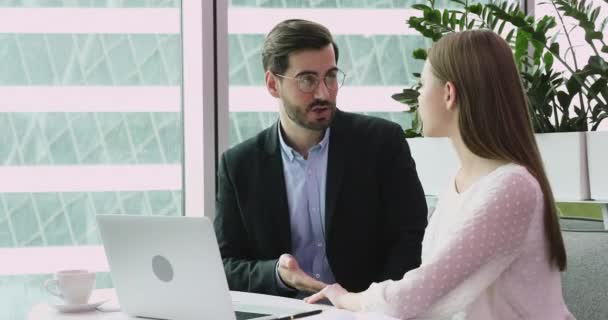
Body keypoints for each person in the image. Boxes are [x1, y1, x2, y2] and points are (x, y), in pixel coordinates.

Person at [305, 30, 576, 319]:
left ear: (449, 94)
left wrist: (345, 297)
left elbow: (414, 297)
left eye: (422, 85)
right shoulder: (461, 182)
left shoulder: (512, 187)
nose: (418, 96)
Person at [214, 19, 428, 298]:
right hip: (284, 312)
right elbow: (225, 266)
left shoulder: (381, 143)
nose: (323, 92)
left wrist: (367, 307)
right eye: (307, 79)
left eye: (331, 76)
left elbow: (410, 239)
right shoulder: (239, 165)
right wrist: (277, 274)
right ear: (272, 84)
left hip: (363, 312)